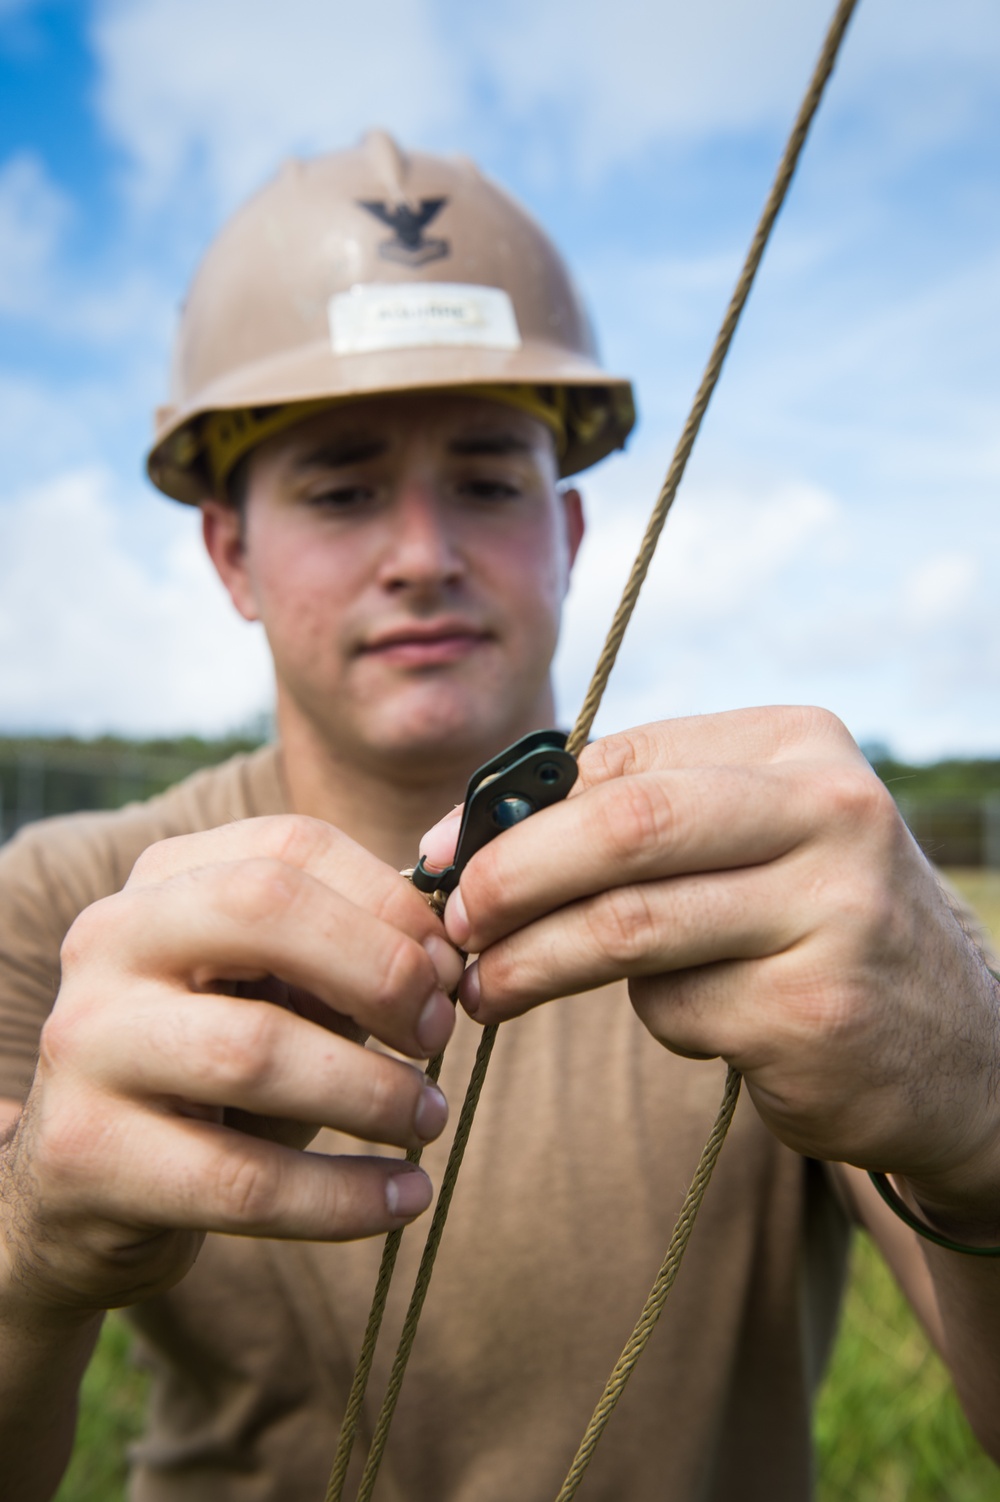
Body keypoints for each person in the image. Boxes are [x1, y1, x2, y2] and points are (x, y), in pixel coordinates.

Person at [1, 131, 998, 1502]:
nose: (424, 554)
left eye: (487, 481)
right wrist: (31, 1246)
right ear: (230, 549)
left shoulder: (789, 888)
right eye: (343, 489)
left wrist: (985, 1120)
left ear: (571, 535)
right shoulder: (66, 901)